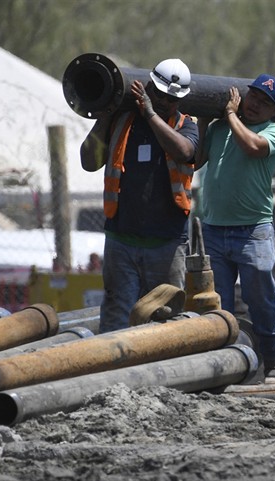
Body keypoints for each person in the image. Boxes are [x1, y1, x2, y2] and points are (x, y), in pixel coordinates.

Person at [80, 58, 199, 333]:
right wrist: (107, 114)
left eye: (171, 99)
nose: (164, 102)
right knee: (116, 316)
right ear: (147, 87)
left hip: (166, 242)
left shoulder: (185, 125)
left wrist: (150, 114)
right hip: (122, 239)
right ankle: (113, 372)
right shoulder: (121, 123)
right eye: (159, 95)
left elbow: (184, 152)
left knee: (165, 319)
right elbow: (88, 160)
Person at [195, 74, 275, 378]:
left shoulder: (273, 131)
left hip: (253, 230)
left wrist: (232, 114)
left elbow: (252, 147)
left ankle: (274, 362)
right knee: (216, 302)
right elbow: (195, 161)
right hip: (213, 227)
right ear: (244, 95)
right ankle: (220, 366)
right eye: (255, 96)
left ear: (274, 111)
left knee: (261, 298)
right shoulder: (221, 127)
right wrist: (204, 123)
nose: (257, 105)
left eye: (266, 102)